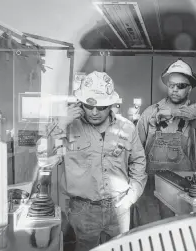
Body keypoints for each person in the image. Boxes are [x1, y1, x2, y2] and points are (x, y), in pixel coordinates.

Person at [44, 71, 147, 251]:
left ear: (112, 104)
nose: (94, 112)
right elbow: (45, 157)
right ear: (80, 103)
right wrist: (61, 124)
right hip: (83, 210)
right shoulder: (67, 128)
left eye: (101, 107)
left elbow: (138, 162)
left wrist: (131, 197)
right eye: (88, 106)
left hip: (120, 207)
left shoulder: (127, 128)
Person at [132, 59, 196, 227]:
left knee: (178, 233)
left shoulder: (195, 113)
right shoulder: (150, 113)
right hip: (150, 186)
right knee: (150, 232)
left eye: (181, 86)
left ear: (190, 88)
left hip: (182, 188)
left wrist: (174, 112)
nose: (175, 90)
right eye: (171, 85)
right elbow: (135, 151)